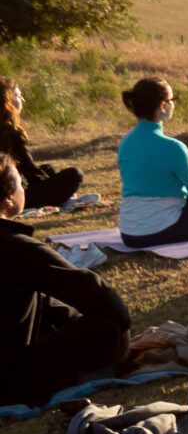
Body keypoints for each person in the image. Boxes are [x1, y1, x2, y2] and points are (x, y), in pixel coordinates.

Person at [0, 159, 131, 409]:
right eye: (20, 184)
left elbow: (46, 302)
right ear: (8, 199)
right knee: (108, 327)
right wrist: (122, 332)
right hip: (10, 382)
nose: (24, 190)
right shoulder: (13, 245)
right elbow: (92, 291)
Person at [116, 77, 188, 247]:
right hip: (160, 230)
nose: (173, 104)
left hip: (129, 234)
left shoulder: (126, 143)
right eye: (172, 100)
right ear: (163, 106)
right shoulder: (173, 147)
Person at [1, 76, 81, 210]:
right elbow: (32, 174)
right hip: (8, 199)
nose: (21, 100)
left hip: (5, 191)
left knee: (47, 169)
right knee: (74, 175)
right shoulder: (9, 134)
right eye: (17, 95)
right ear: (7, 100)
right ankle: (63, 200)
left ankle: (60, 197)